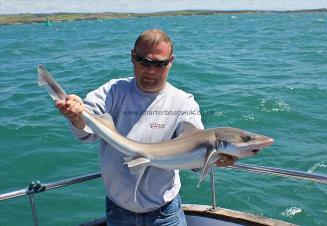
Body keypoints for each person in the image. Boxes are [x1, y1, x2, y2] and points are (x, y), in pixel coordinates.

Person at [56, 29, 235, 226]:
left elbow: (194, 159)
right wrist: (76, 116)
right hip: (118, 211)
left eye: (160, 64)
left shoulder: (184, 103)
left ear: (171, 61)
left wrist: (211, 160)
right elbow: (86, 131)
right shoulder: (113, 91)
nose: (151, 70)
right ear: (133, 57)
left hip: (165, 213)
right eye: (145, 62)